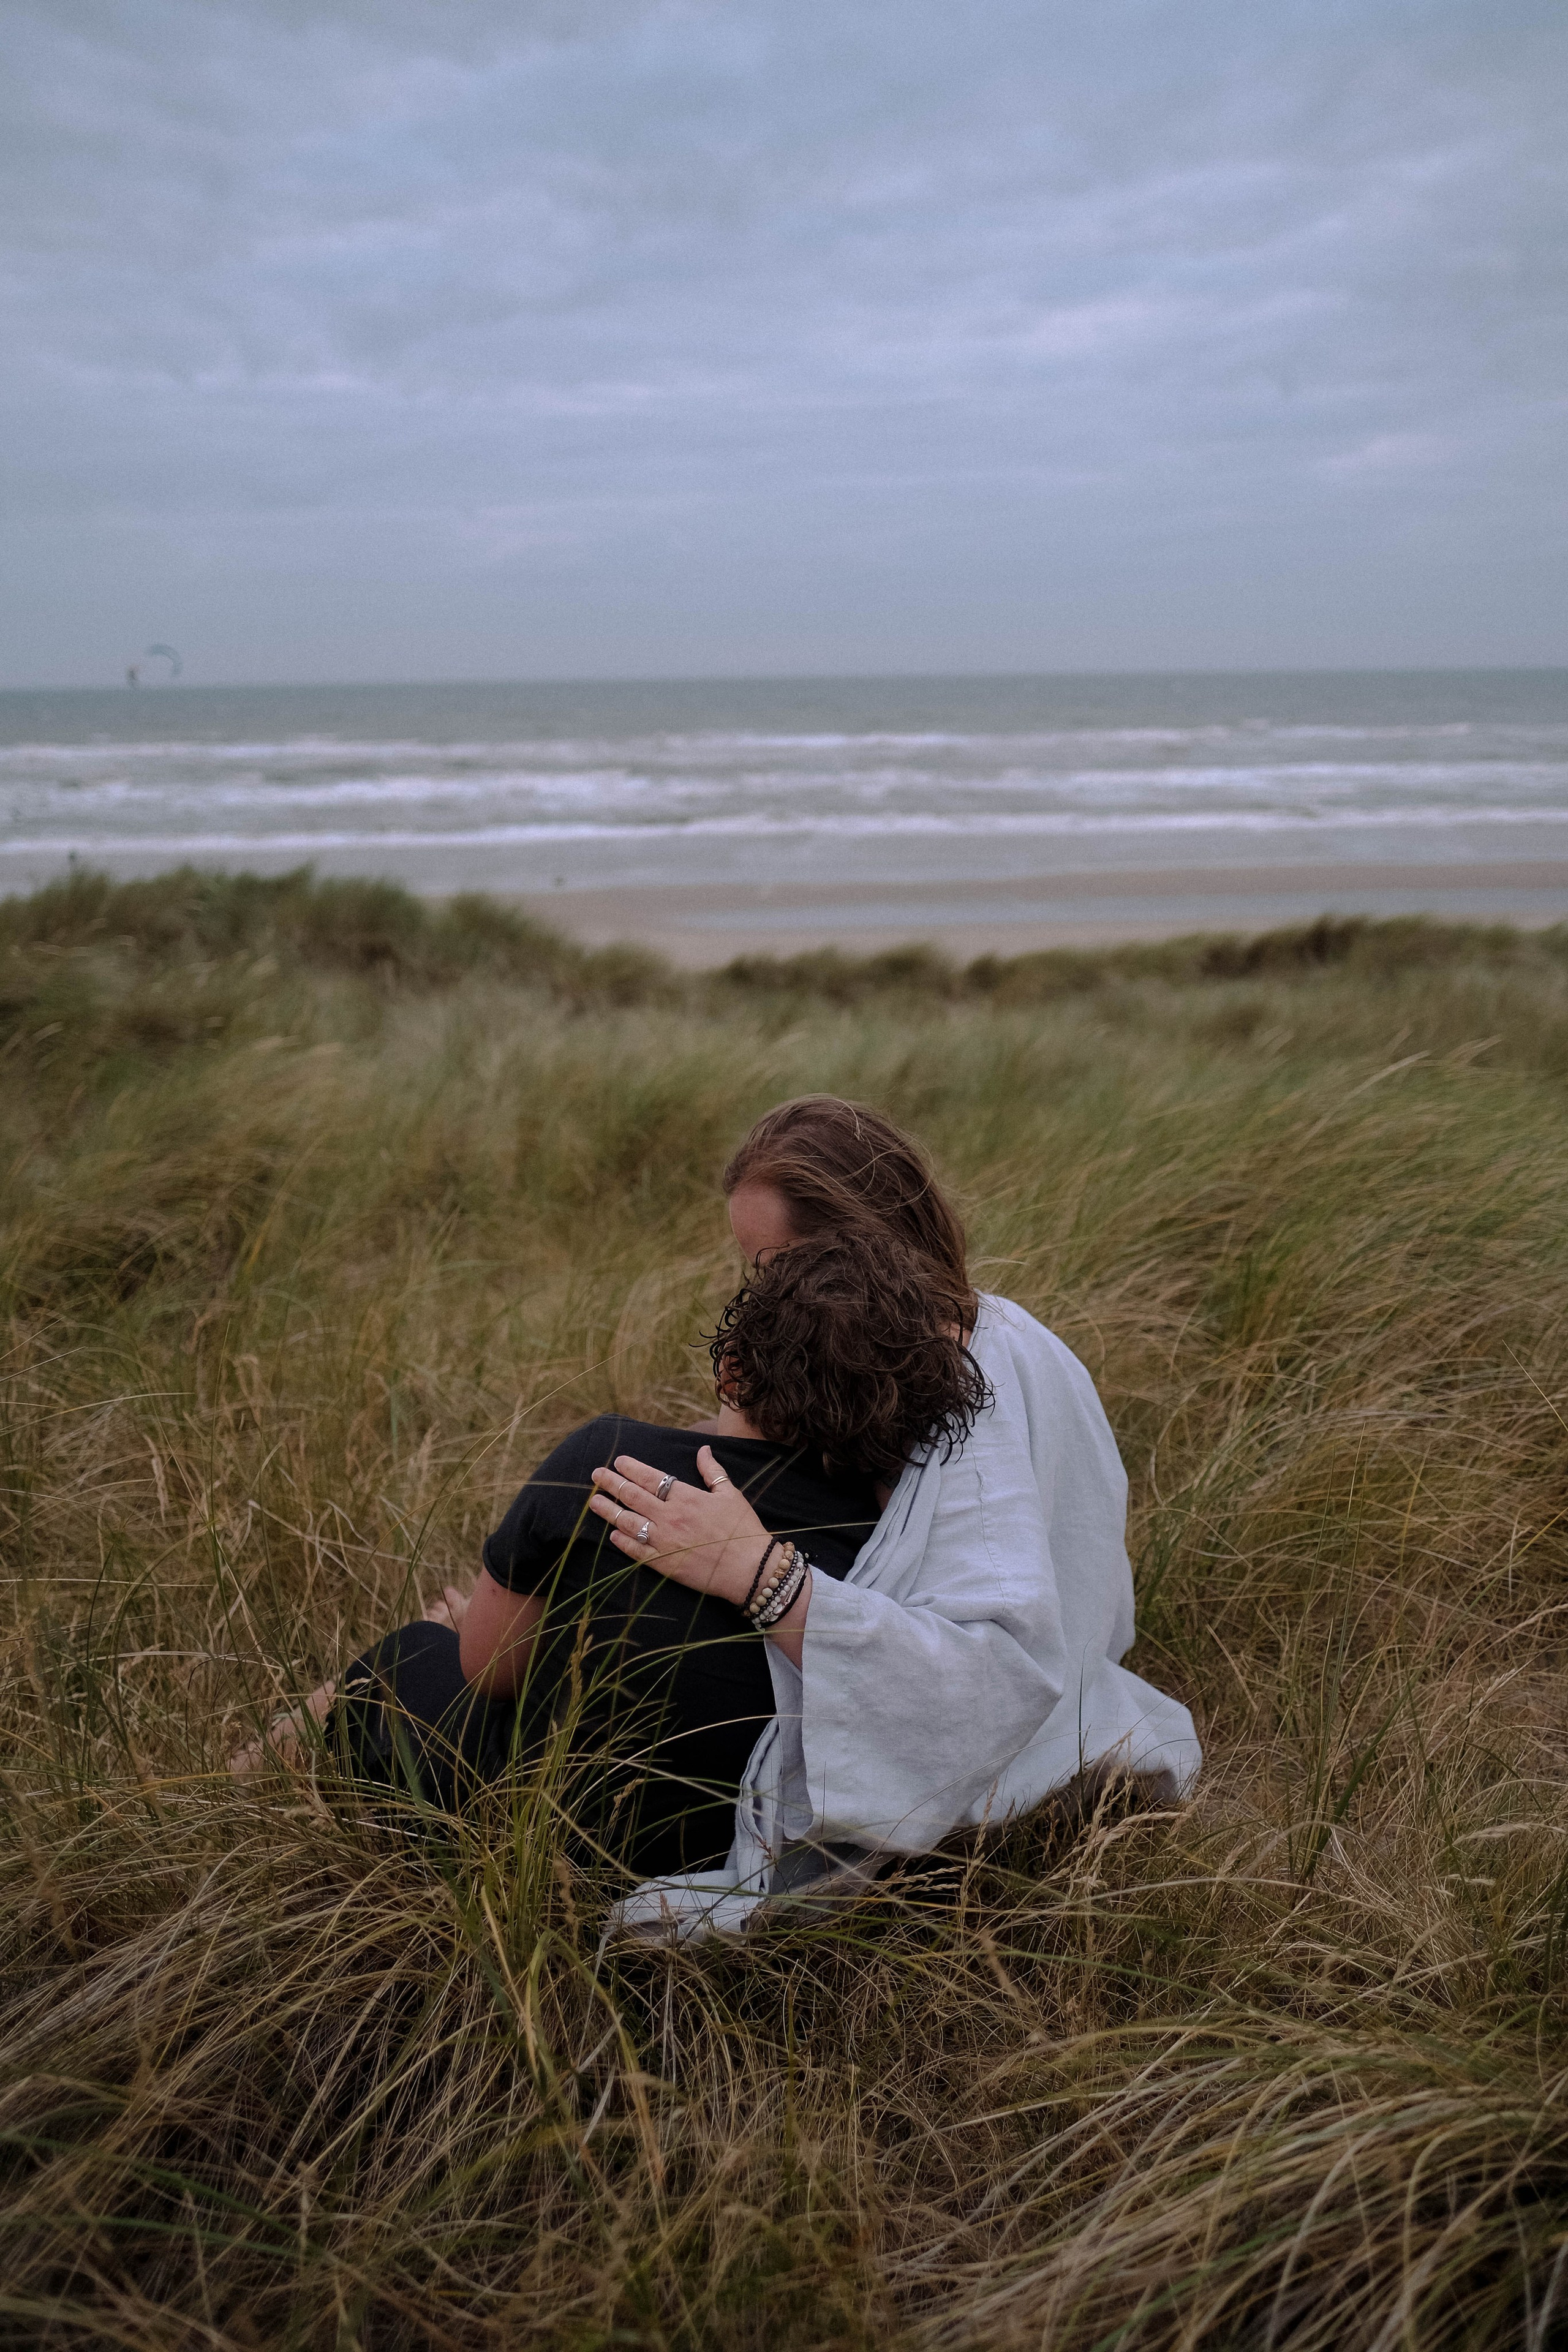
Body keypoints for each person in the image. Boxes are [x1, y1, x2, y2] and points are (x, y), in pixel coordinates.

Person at [575, 1095, 1202, 1941]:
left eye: (770, 1268)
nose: (757, 1296)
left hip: (989, 1748)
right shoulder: (917, 1357)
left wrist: (760, 1575)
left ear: (857, 1246)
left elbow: (999, 1673)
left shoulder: (976, 1387)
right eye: (748, 1272)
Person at [244, 1226, 987, 1887]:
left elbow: (490, 1671)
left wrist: (489, 1626)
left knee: (408, 1655)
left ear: (731, 1369)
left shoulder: (612, 1461)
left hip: (545, 1848)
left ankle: (235, 1788)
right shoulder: (895, 1546)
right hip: (741, 1856)